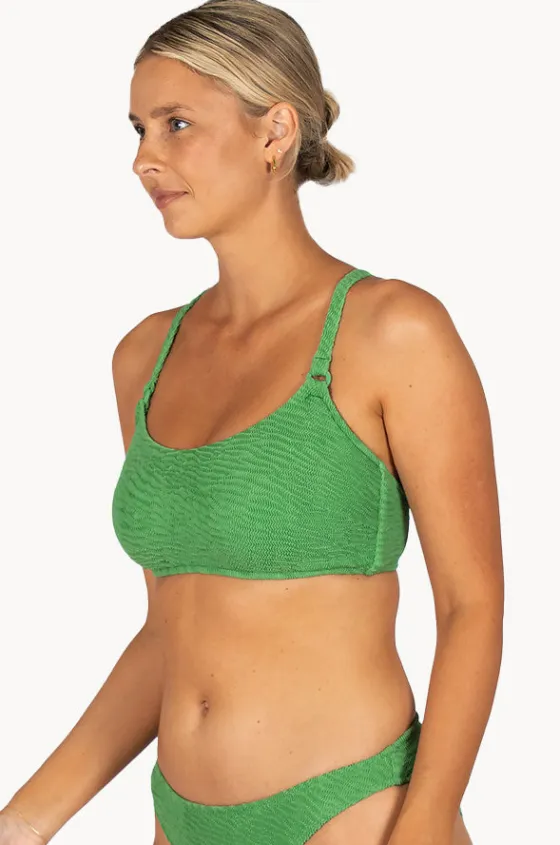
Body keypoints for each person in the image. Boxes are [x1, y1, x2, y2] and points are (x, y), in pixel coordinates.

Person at [0, 1, 504, 843]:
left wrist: (422, 825)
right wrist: (23, 818)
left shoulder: (391, 331)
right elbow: (169, 631)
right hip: (180, 818)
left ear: (275, 131)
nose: (144, 157)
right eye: (138, 129)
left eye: (176, 124)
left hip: (356, 812)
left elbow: (471, 606)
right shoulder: (144, 357)